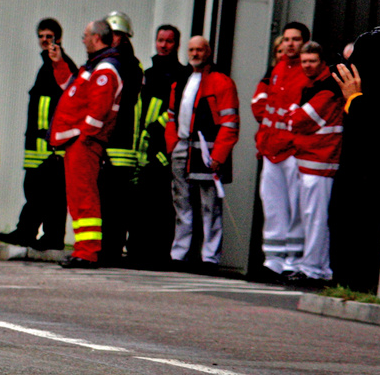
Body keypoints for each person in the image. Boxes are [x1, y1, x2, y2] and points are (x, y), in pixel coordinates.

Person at [50, 18, 122, 269]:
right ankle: (83, 250)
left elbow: (98, 109)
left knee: (85, 197)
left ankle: (88, 253)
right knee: (78, 198)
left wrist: (85, 136)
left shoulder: (104, 69)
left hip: (84, 142)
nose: (82, 40)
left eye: (85, 35)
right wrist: (59, 63)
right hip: (79, 142)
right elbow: (70, 90)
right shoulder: (93, 67)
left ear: (96, 37)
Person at [168, 35, 240, 270]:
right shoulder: (180, 81)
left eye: (199, 49)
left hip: (208, 154)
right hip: (182, 148)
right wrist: (172, 146)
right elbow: (171, 117)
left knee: (210, 206)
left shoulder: (222, 82)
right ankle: (179, 255)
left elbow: (230, 123)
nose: (195, 54)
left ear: (208, 52)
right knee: (182, 204)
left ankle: (210, 258)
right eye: (191, 50)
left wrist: (219, 156)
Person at [0, 18, 72, 249]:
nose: (44, 40)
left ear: (58, 39)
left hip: (51, 146)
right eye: (41, 36)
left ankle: (48, 237)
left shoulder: (63, 66)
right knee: (34, 190)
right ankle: (29, 233)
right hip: (37, 145)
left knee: (51, 193)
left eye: (49, 36)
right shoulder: (45, 67)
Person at [330, 26, 380, 291]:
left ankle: (358, 283)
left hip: (370, 174)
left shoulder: (366, 96)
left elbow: (375, 127)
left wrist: (354, 99)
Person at [252, 22, 310, 279]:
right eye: (286, 39)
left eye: (296, 39)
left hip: (293, 150)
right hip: (271, 149)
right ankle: (273, 260)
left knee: (296, 207)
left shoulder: (310, 72)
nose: (289, 43)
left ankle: (293, 261)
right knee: (274, 207)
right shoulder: (277, 69)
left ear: (305, 42)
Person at [132, 24, 190, 267]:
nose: (163, 45)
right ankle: (137, 252)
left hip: (165, 147)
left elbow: (179, 111)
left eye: (168, 41)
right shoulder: (149, 73)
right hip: (144, 148)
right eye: (160, 40)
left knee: (164, 204)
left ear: (176, 44)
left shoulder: (182, 74)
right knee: (141, 202)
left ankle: (159, 254)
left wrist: (159, 129)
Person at [287, 41, 342, 287]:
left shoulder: (327, 89)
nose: (307, 66)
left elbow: (301, 119)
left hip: (320, 161)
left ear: (321, 62)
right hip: (312, 161)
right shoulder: (317, 86)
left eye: (311, 61)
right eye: (304, 61)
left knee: (315, 219)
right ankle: (317, 268)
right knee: (313, 218)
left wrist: (292, 112)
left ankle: (312, 269)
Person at [97, 11, 145, 265]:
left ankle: (111, 250)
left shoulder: (126, 65)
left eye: (114, 34)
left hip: (121, 144)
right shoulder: (113, 61)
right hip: (108, 142)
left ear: (123, 37)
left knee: (115, 202)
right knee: (104, 199)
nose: (110, 38)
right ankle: (104, 248)